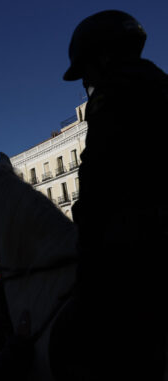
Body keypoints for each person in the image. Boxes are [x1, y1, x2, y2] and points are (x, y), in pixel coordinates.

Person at [52, 10, 168, 380]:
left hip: (136, 249)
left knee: (78, 335)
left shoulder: (113, 100)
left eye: (86, 70)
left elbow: (98, 180)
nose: (86, 80)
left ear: (103, 59)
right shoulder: (158, 84)